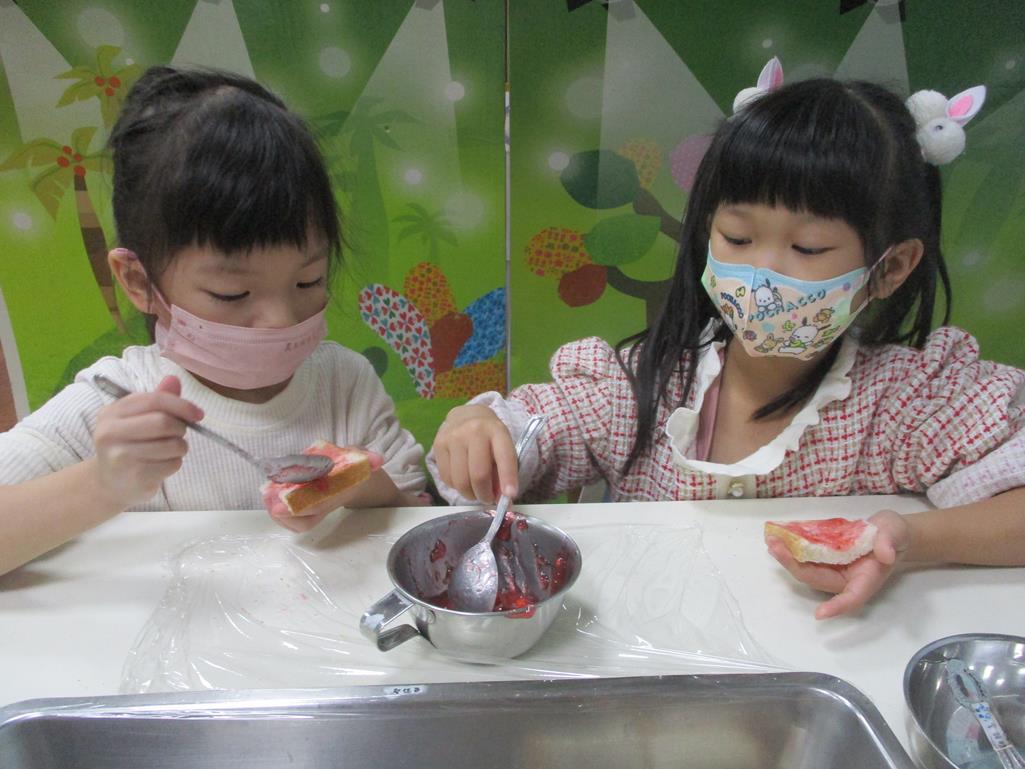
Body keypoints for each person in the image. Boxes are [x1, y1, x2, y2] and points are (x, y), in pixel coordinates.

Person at [429, 70, 1025, 619]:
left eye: (807, 249)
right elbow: (528, 434)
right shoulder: (640, 384)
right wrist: (480, 428)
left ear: (890, 268)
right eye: (737, 238)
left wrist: (909, 537)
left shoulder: (914, 401)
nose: (762, 274)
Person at [0, 66, 427, 576]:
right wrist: (102, 483)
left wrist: (354, 483)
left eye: (308, 281)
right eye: (232, 293)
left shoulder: (345, 384)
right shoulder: (115, 402)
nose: (279, 320)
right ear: (138, 281)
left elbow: (414, 517)